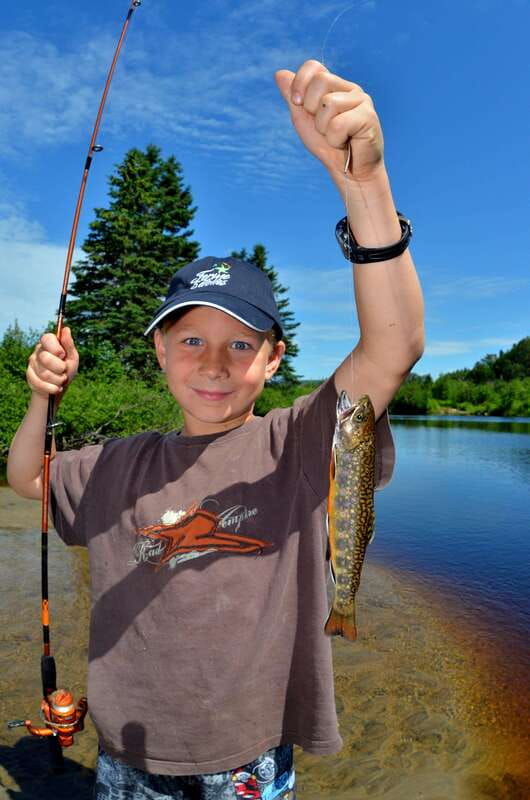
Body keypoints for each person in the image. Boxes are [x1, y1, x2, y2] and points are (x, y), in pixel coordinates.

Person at [7, 60, 424, 800]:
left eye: (241, 343)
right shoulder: (118, 464)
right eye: (191, 340)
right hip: (127, 757)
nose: (215, 363)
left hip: (248, 758)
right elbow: (29, 479)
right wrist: (42, 397)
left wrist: (365, 187)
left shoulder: (296, 445)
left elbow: (393, 348)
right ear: (160, 352)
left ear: (273, 360)